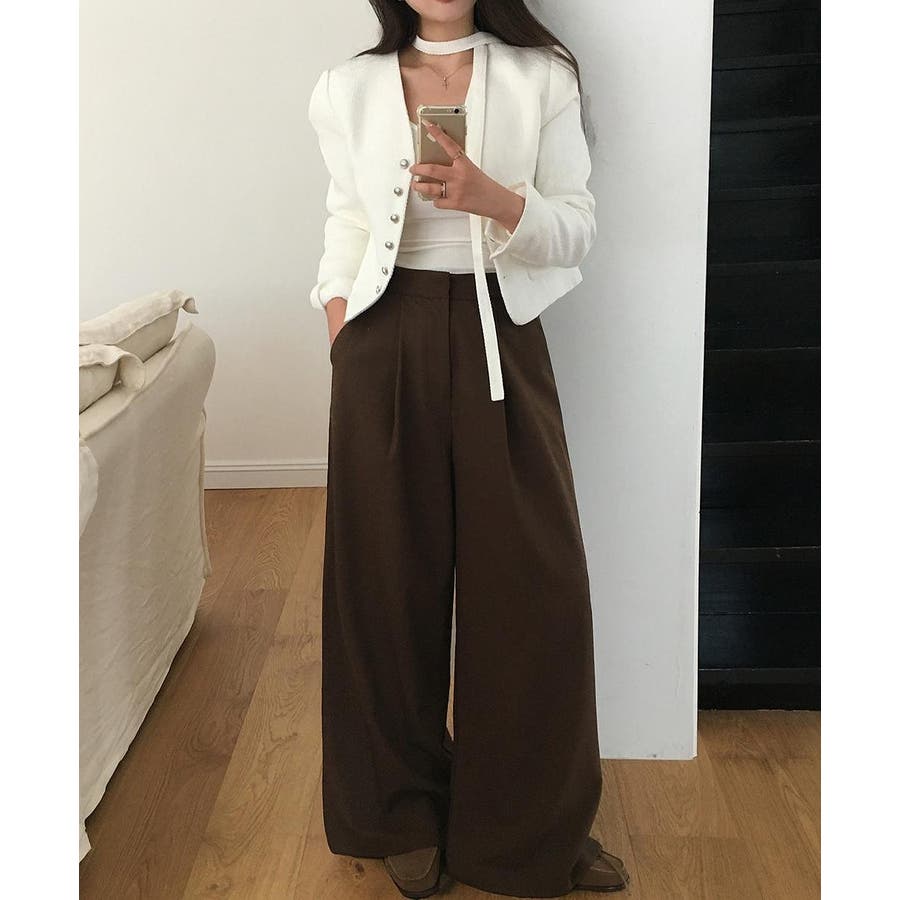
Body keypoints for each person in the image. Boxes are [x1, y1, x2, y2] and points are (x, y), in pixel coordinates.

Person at [307, 2, 629, 896]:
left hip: (502, 336)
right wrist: (341, 326)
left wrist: (494, 199)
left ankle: (529, 829)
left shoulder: (542, 77)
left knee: (532, 588)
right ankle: (395, 812)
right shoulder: (346, 88)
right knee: (382, 582)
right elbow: (346, 220)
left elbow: (577, 225)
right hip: (382, 339)